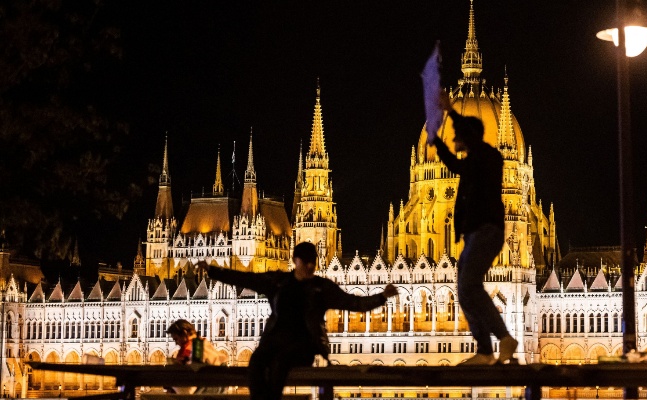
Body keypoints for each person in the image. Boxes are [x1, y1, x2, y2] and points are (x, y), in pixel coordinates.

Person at [198, 242, 398, 400]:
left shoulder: (321, 288)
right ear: (295, 260)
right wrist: (212, 271)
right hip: (275, 340)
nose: (310, 266)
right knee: (256, 362)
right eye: (306, 261)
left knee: (280, 363)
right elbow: (246, 279)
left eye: (313, 261)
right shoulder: (278, 282)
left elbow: (353, 302)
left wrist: (382, 297)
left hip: (304, 344)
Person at [429, 93, 518, 365]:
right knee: (464, 290)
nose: (454, 139)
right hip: (474, 235)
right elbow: (454, 164)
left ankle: (504, 337)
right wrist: (436, 141)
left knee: (469, 285)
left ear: (468, 137)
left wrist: (450, 111)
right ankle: (484, 350)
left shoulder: (488, 157)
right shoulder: (471, 163)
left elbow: (471, 143)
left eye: (457, 136)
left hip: (487, 231)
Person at [166, 319, 227, 394]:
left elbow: (187, 389)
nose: (176, 343)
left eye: (176, 339)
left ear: (185, 333)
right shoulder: (202, 343)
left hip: (208, 391)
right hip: (215, 387)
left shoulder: (195, 347)